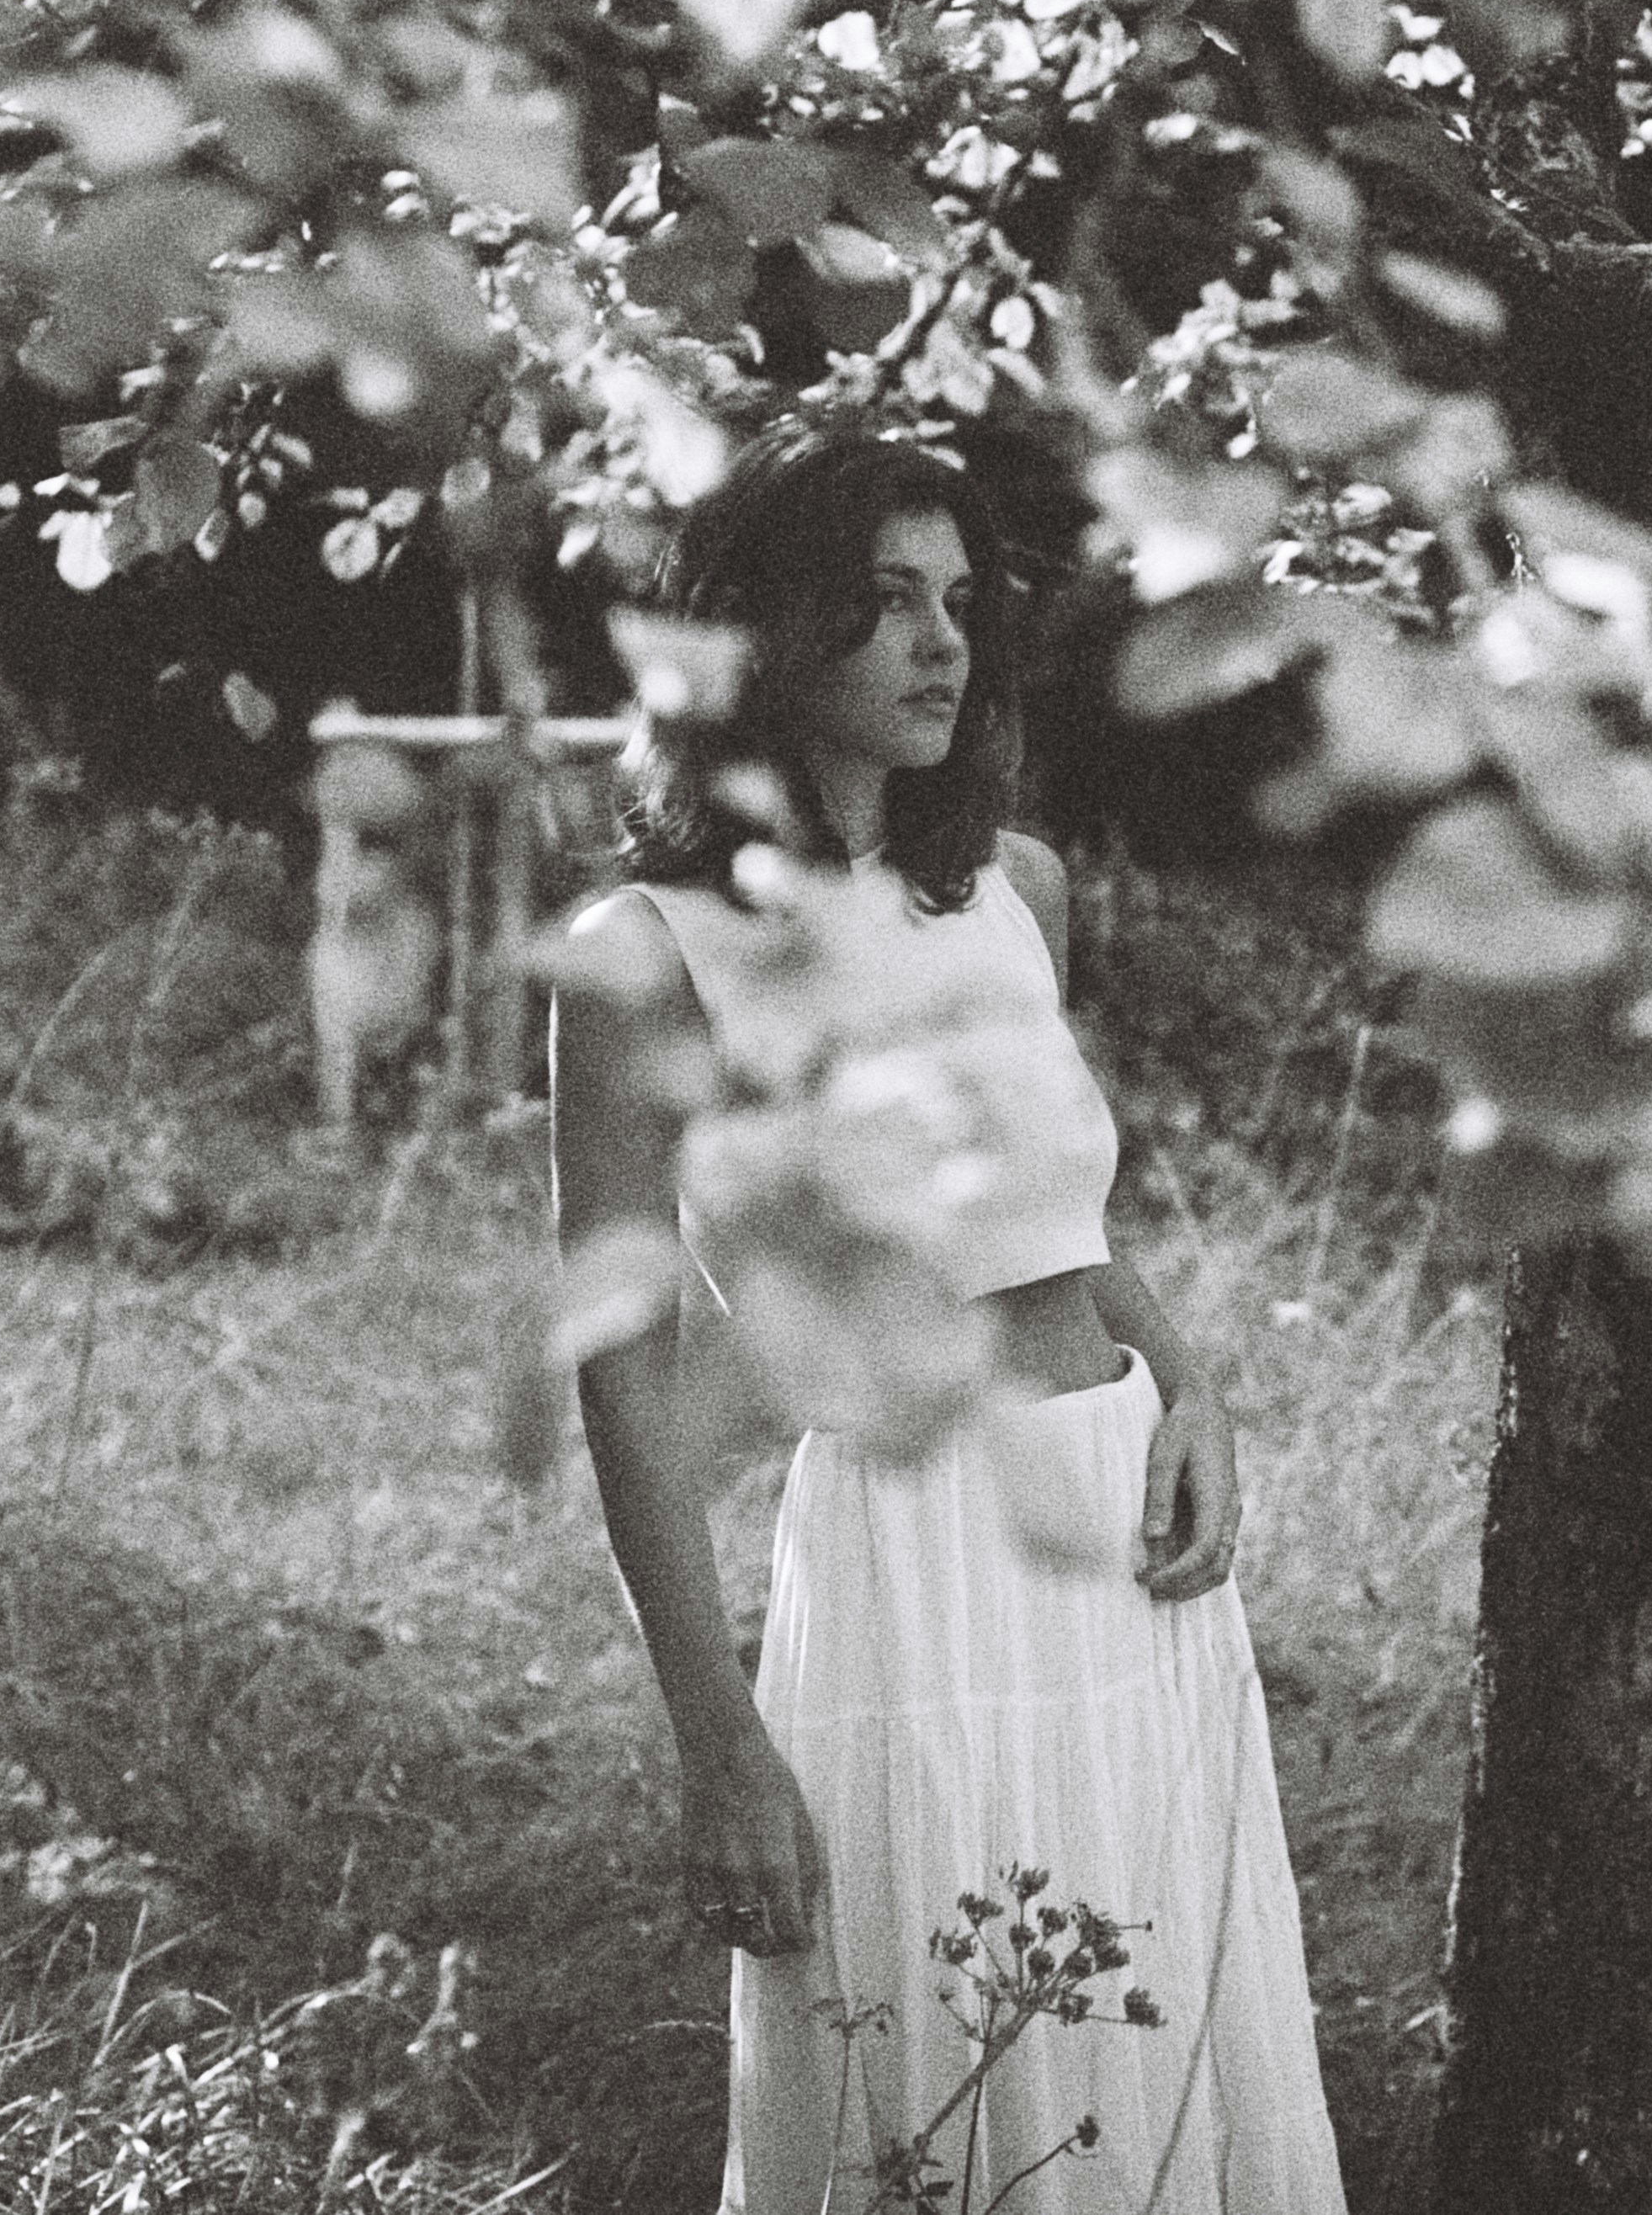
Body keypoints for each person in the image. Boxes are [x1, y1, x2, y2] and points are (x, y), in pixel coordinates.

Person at [552, 423, 1347, 2215]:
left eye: (962, 601)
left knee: (1150, 2076)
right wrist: (713, 1739)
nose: (942, 641)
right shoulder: (646, 947)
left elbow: (1053, 1221)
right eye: (886, 599)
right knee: (937, 2083)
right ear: (765, 631)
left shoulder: (1017, 893)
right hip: (919, 1567)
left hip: (1132, 1566)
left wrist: (1194, 1385)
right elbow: (620, 1368)